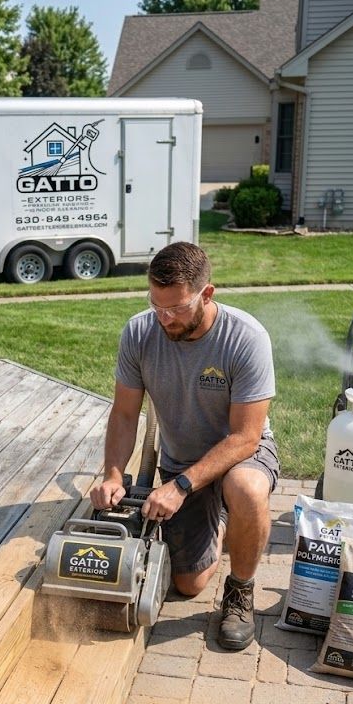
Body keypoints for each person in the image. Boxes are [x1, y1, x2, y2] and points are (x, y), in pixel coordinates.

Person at [90, 241, 279, 650]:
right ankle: (226, 522)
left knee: (245, 489)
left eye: (176, 308)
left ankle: (240, 591)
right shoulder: (140, 332)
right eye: (156, 305)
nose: (164, 318)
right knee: (188, 584)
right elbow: (124, 414)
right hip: (181, 461)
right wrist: (112, 474)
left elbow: (246, 436)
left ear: (206, 294)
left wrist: (178, 487)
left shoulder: (246, 338)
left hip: (241, 453)